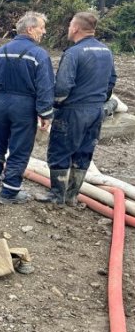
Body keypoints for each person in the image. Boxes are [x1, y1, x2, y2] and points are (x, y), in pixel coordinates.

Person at [37, 12, 118, 205]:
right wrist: (100, 100)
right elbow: (111, 80)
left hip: (73, 111)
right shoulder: (106, 51)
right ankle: (72, 196)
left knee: (59, 151)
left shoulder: (73, 53)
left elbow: (63, 87)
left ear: (75, 28)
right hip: (96, 112)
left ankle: (57, 195)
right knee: (83, 152)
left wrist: (53, 105)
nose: (68, 29)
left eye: (69, 25)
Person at [0, 11, 55, 204]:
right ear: (30, 29)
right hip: (24, 107)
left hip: (0, 105)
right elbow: (45, 86)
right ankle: (10, 192)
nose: (43, 32)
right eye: (41, 28)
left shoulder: (0, 52)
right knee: (19, 149)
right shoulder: (39, 55)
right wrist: (45, 113)